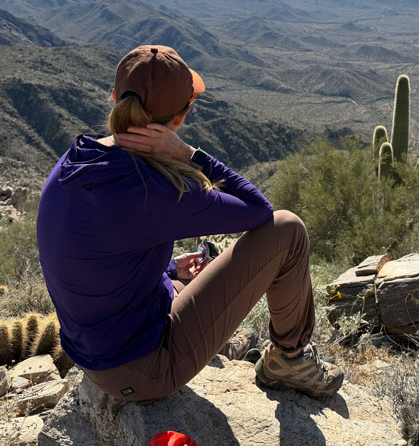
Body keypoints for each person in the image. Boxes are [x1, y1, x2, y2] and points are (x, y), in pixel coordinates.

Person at [36, 44, 343, 401]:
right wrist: (188, 154)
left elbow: (94, 254)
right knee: (289, 230)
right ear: (179, 119)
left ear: (117, 97)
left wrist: (167, 270)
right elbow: (261, 212)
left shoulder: (78, 158)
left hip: (93, 350)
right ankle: (290, 360)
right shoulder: (153, 189)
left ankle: (218, 344)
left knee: (185, 282)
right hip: (140, 373)